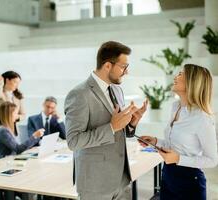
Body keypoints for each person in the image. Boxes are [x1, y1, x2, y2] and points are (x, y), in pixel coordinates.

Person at [64, 41, 148, 200]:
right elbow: (73, 141)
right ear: (108, 65)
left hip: (122, 180)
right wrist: (111, 127)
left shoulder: (117, 89)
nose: (126, 72)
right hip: (95, 185)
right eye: (124, 67)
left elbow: (119, 131)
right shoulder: (79, 94)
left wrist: (131, 123)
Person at [139, 64, 218, 200]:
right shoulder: (176, 107)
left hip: (190, 184)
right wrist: (156, 141)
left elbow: (212, 160)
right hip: (168, 177)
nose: (176, 77)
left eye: (181, 74)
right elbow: (174, 146)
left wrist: (178, 159)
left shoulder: (202, 118)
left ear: (192, 82)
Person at [0, 71, 26, 135]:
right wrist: (0, 82)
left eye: (18, 83)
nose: (17, 85)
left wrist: (15, 117)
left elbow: (23, 115)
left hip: (13, 129)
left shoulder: (18, 96)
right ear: (7, 80)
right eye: (15, 82)